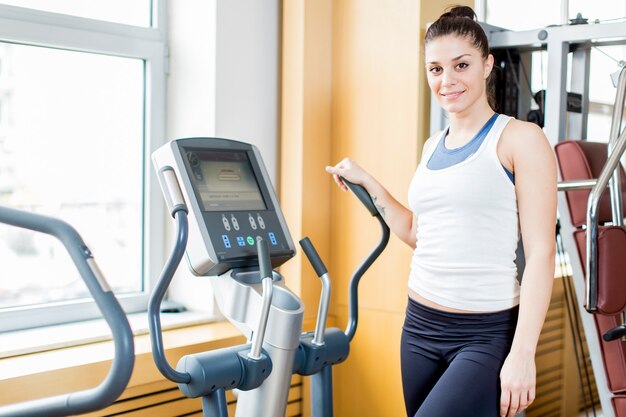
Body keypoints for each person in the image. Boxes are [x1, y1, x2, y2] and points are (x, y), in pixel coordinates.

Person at [326, 5, 557, 417]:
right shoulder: (433, 145)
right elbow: (418, 232)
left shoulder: (520, 139)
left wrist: (523, 353)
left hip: (485, 335)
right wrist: (369, 182)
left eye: (460, 65)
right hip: (419, 327)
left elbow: (540, 254)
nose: (446, 81)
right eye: (435, 69)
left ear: (487, 65)